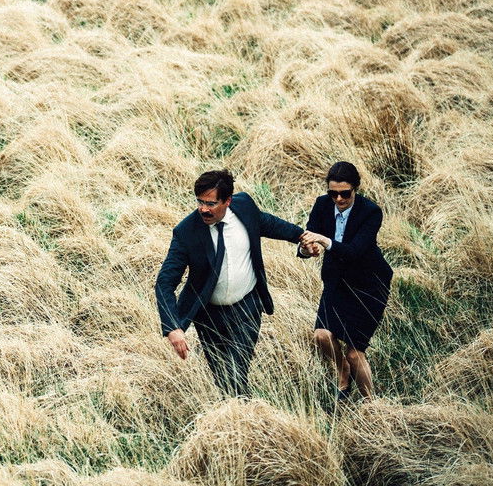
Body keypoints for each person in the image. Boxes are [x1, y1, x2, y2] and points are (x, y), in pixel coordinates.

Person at [155, 169, 304, 397]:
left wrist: (302, 237)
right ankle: (240, 412)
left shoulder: (245, 207)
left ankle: (244, 411)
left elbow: (269, 224)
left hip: (247, 307)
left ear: (227, 201)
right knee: (223, 378)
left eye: (211, 203)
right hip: (209, 316)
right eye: (200, 202)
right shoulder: (186, 232)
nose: (203, 209)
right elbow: (165, 282)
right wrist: (172, 327)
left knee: (235, 373)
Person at [299, 161, 392, 402]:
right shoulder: (322, 204)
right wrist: (307, 249)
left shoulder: (370, 212)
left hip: (368, 285)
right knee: (322, 336)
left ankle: (372, 405)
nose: (339, 199)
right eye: (333, 193)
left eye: (345, 193)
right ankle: (343, 371)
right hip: (336, 281)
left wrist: (324, 241)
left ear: (356, 189)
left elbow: (354, 251)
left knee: (354, 352)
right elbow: (309, 237)